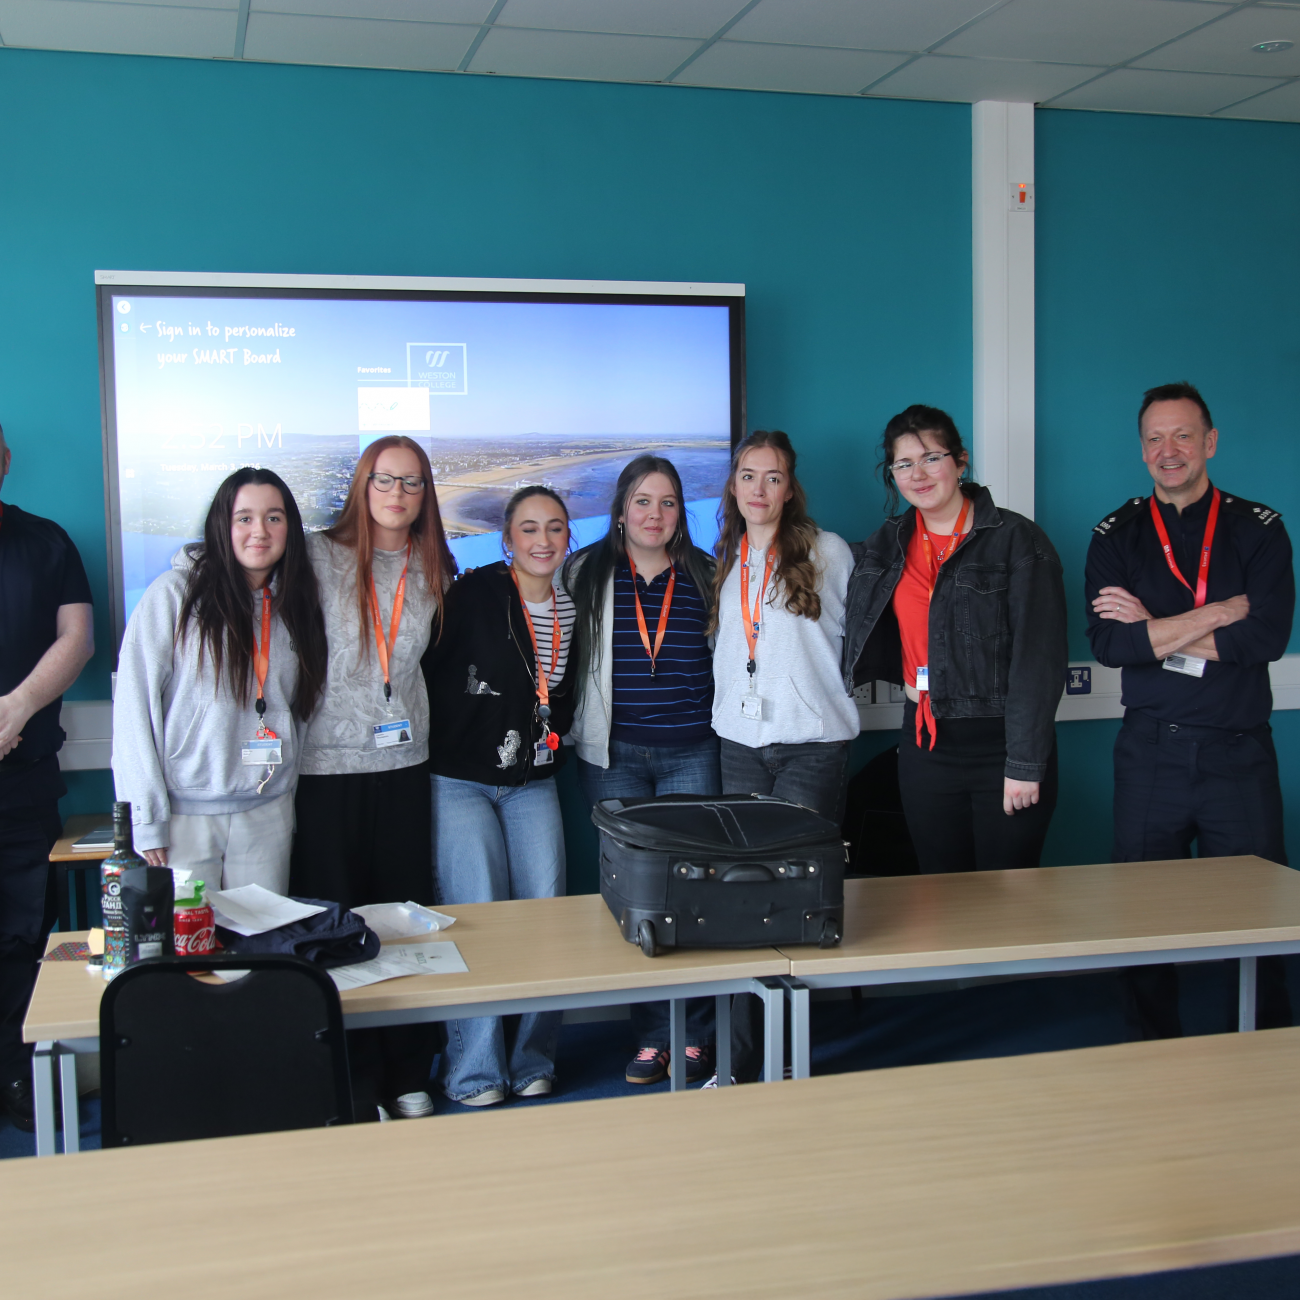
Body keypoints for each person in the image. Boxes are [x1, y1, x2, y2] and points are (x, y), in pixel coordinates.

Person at [1085, 382, 1294, 1039]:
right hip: (1152, 752)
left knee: (1261, 911)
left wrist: (1156, 625)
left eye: (1181, 435)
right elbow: (1113, 645)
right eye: (1154, 438)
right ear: (1141, 449)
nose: (1167, 450)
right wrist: (1213, 615)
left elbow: (1263, 638)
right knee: (1143, 916)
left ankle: (1268, 1044)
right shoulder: (1116, 534)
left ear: (1209, 442)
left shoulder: (1257, 528)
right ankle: (1151, 1047)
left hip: (1239, 751)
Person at [289, 434, 456, 1120]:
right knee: (336, 925)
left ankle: (408, 1070)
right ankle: (354, 1078)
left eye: (412, 483)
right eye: (385, 481)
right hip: (325, 769)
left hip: (404, 769)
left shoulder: (433, 566)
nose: (398, 495)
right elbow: (230, 562)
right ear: (362, 485)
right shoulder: (316, 553)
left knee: (405, 923)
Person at [842, 405, 1067, 873]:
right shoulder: (888, 543)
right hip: (924, 746)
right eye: (903, 464)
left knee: (1008, 899)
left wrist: (1024, 764)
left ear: (961, 461)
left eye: (931, 458)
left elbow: (1038, 661)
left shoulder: (1017, 540)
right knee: (940, 896)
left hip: (1001, 744)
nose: (917, 475)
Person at [565, 455, 718, 1086]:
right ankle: (654, 1037)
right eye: (642, 501)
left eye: (669, 502)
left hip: (692, 752)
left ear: (683, 512)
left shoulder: (709, 574)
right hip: (614, 756)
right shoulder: (586, 570)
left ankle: (697, 1037)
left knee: (694, 895)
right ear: (621, 508)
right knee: (637, 901)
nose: (655, 514)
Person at [710, 430, 857, 1083]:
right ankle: (741, 1062)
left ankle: (788, 1058)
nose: (760, 489)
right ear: (734, 485)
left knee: (792, 899)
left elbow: (858, 636)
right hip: (740, 746)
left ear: (790, 488)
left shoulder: (826, 553)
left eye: (773, 477)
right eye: (748, 475)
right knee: (741, 902)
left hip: (813, 746)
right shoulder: (726, 555)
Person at [423, 487, 576, 1106]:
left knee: (546, 915)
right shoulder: (475, 593)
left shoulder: (571, 606)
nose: (543, 541)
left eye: (556, 528)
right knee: (476, 919)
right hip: (460, 779)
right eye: (529, 529)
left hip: (532, 782)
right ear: (507, 539)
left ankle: (533, 1057)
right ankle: (474, 1071)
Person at [112, 469, 327, 891]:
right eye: (243, 518)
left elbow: (300, 705)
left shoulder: (296, 604)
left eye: (274, 518)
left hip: (268, 812)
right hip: (184, 816)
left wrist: (286, 795)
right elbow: (133, 710)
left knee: (260, 949)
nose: (259, 532)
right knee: (189, 953)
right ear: (221, 526)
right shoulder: (174, 595)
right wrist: (147, 818)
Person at [0, 421, 94, 1133]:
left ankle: (16, 1077)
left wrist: (16, 707)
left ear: (4, 460)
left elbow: (77, 638)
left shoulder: (47, 541)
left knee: (21, 936)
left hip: (22, 779)